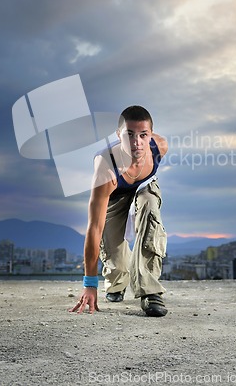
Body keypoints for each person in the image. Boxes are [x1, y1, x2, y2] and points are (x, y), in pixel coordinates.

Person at [69, 105, 168, 317]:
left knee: (149, 204)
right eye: (129, 134)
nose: (136, 142)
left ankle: (149, 291)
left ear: (151, 134)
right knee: (114, 251)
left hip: (144, 187)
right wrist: (89, 284)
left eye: (143, 135)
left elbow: (150, 177)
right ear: (118, 134)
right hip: (115, 194)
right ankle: (116, 281)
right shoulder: (106, 167)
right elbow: (94, 227)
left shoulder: (159, 147)